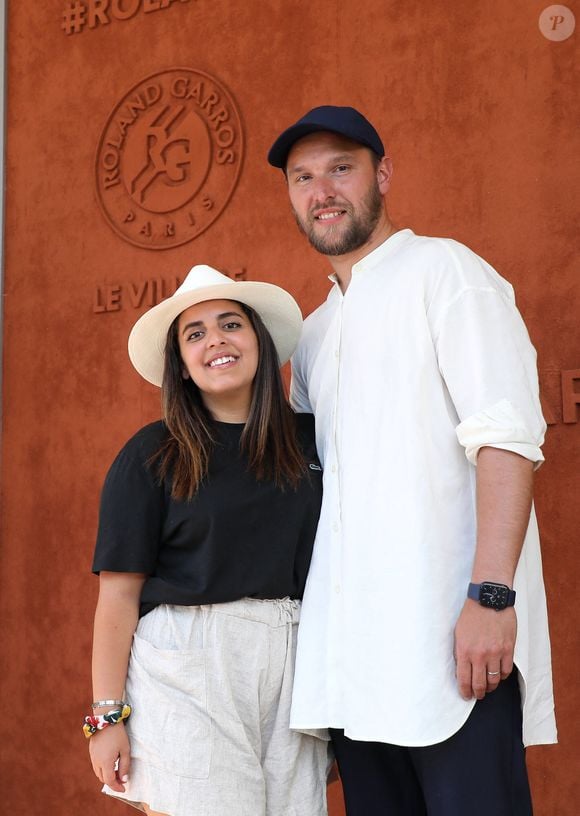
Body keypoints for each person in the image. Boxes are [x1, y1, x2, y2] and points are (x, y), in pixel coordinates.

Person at [267, 106, 557, 815]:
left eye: (341, 168)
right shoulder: (312, 335)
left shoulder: (446, 273)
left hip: (455, 657)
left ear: (382, 175)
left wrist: (491, 598)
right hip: (358, 674)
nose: (321, 190)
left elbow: (507, 436)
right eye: (303, 177)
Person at [86, 264, 330, 816]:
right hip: (188, 665)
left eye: (230, 324)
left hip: (293, 660)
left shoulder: (310, 441)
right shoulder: (153, 453)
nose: (215, 340)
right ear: (182, 363)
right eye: (194, 334)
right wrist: (106, 717)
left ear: (260, 344)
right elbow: (118, 596)